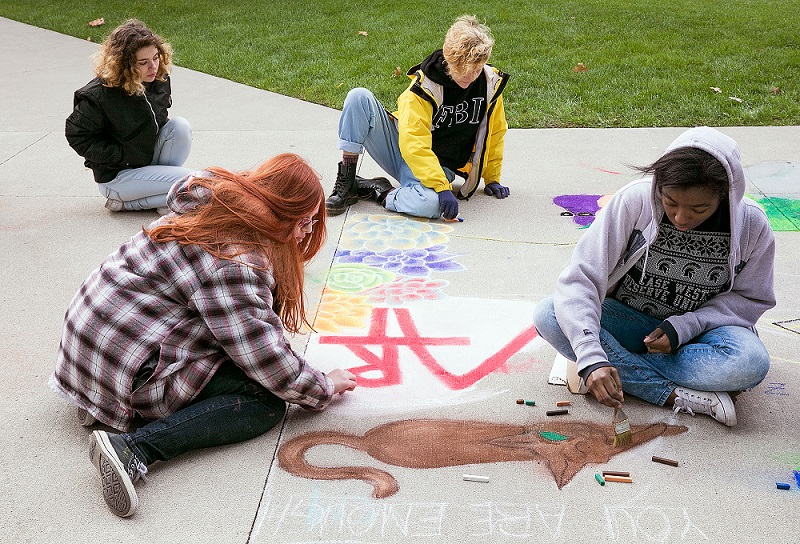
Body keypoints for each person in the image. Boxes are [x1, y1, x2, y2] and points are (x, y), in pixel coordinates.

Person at [50, 153, 358, 518]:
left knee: (234, 350)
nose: (306, 232)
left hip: (88, 346)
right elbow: (267, 361)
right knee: (264, 400)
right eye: (304, 221)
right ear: (279, 210)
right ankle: (133, 448)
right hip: (127, 363)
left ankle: (95, 397)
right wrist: (322, 386)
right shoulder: (235, 257)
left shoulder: (212, 205)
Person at [533, 127, 775, 427]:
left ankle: (611, 366)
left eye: (699, 209)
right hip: (630, 321)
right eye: (671, 202)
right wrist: (591, 352)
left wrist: (685, 327)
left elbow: (750, 299)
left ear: (726, 196)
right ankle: (674, 394)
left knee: (750, 363)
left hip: (702, 334)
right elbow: (582, 277)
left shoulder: (753, 225)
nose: (681, 218)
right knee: (549, 314)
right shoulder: (634, 202)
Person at [325, 15, 510, 220]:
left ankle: (379, 191)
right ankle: (347, 182)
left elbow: (495, 132)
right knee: (358, 97)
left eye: (477, 68)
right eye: (464, 70)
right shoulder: (424, 86)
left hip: (441, 165)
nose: (471, 76)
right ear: (450, 60)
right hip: (400, 147)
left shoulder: (490, 84)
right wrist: (441, 187)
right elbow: (413, 141)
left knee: (430, 206)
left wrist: (492, 178)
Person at [65, 19, 193, 213]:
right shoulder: (99, 95)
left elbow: (155, 120)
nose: (153, 67)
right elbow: (77, 134)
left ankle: (162, 195)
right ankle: (127, 200)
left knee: (180, 127)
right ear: (124, 65)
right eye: (143, 62)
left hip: (145, 163)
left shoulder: (157, 78)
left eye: (156, 57)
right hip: (118, 175)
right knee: (192, 182)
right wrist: (121, 155)